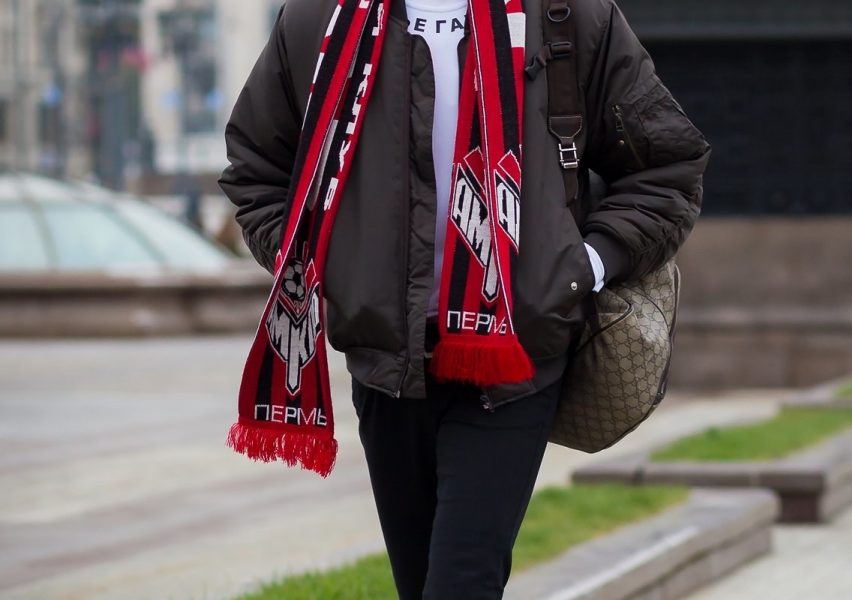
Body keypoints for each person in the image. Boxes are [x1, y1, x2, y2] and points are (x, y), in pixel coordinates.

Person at [219, 0, 710, 597]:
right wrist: (327, 268)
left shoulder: (568, 15)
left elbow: (667, 166)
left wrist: (582, 268)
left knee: (461, 584)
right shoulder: (318, 19)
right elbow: (257, 171)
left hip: (516, 358)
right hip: (387, 364)